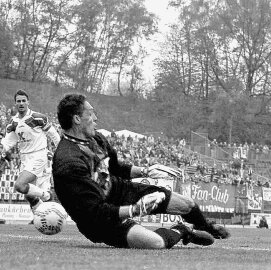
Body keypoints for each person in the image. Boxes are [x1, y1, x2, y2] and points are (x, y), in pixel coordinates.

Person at [52, 94, 230, 249]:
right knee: (155, 243)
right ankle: (182, 231)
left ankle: (207, 227)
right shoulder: (68, 162)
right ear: (76, 119)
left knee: (187, 204)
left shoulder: (96, 138)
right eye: (90, 113)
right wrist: (135, 210)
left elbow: (116, 168)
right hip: (99, 221)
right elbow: (95, 211)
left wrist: (147, 171)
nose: (96, 118)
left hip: (119, 191)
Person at [1, 90, 60, 211]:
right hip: (25, 159)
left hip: (39, 155)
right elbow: (8, 142)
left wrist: (61, 152)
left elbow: (54, 135)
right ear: (15, 104)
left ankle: (47, 196)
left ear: (28, 102)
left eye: (23, 101)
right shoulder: (13, 123)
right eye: (18, 101)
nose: (21, 103)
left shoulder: (38, 118)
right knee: (29, 195)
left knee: (19, 185)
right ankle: (43, 218)